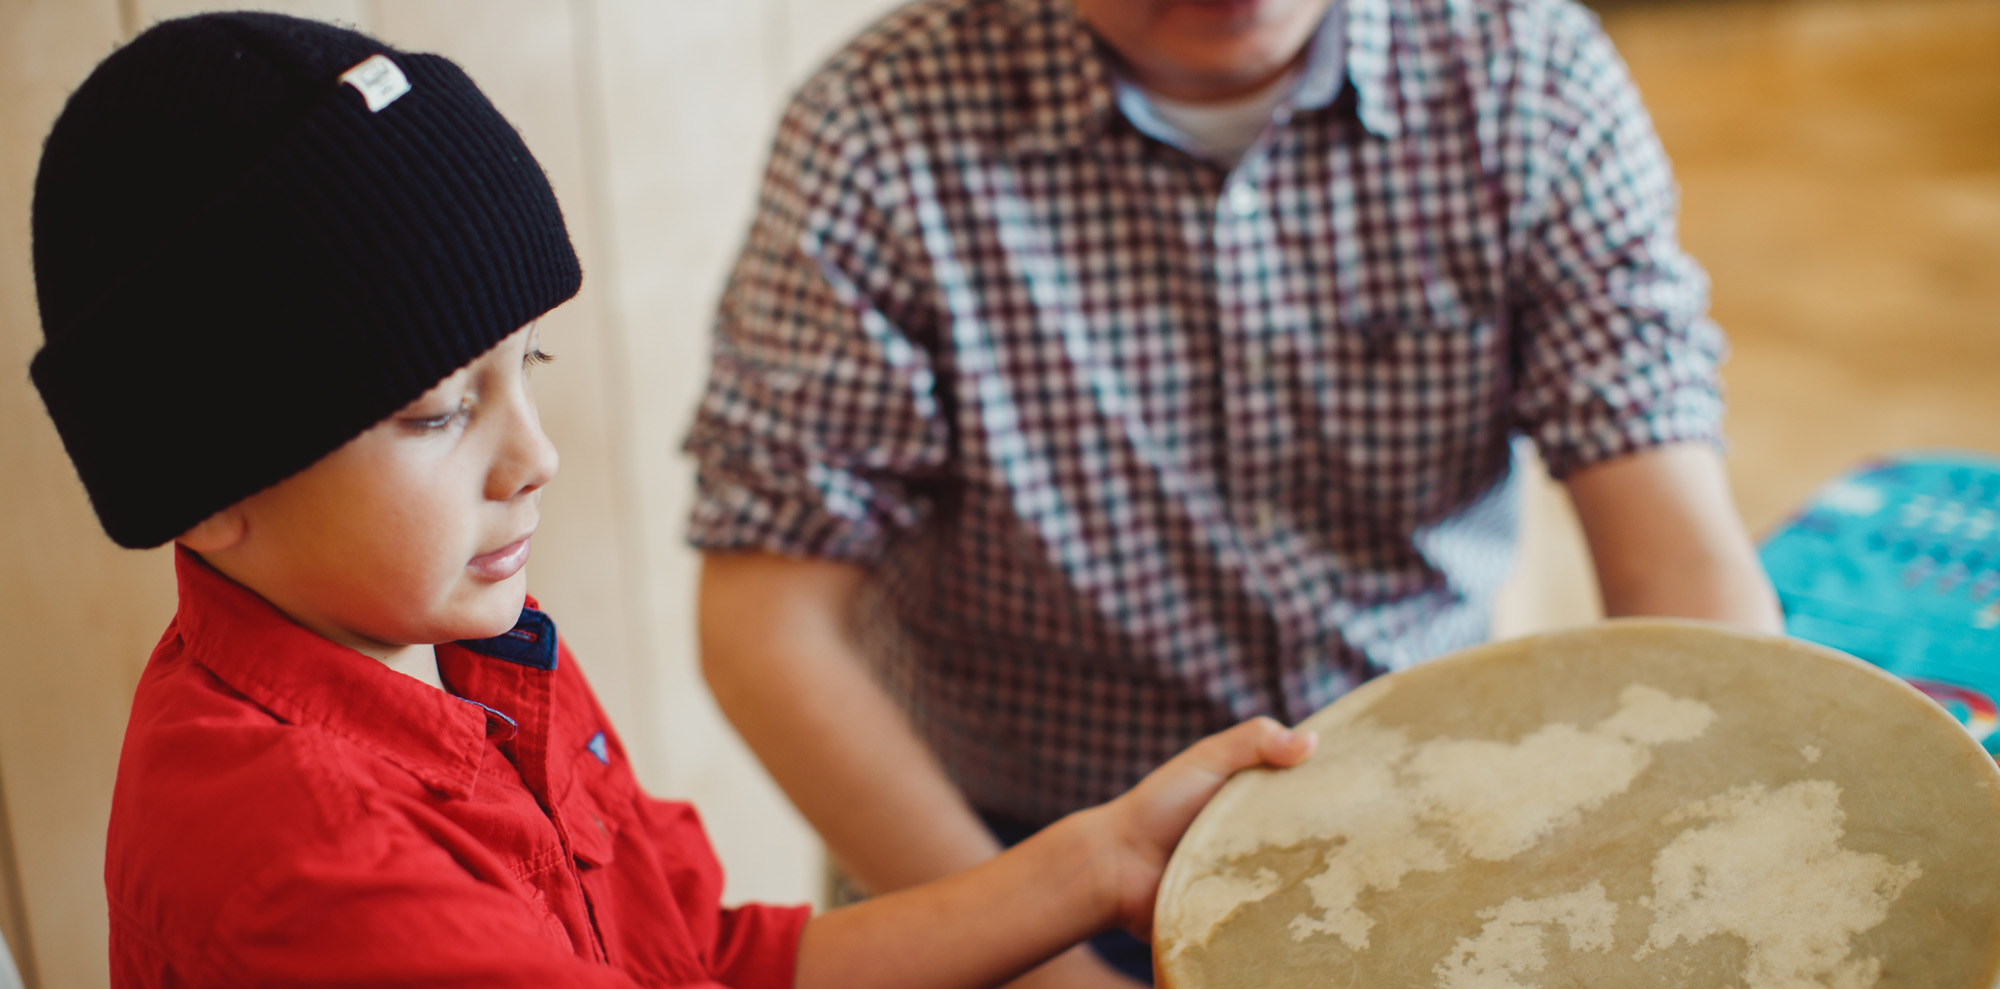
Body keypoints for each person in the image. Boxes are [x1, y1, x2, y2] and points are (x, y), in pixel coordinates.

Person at [28, 13, 1315, 987]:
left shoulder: (465, 652)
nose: (534, 455)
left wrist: (1091, 862)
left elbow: (713, 958)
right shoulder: (312, 869)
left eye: (527, 364)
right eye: (435, 412)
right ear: (205, 485)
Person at [684, 0, 1784, 984]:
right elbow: (766, 629)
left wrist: (1710, 870)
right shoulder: (877, 127)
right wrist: (1054, 967)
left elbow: (1674, 548)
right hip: (995, 850)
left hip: (1430, 816)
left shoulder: (1523, 69)